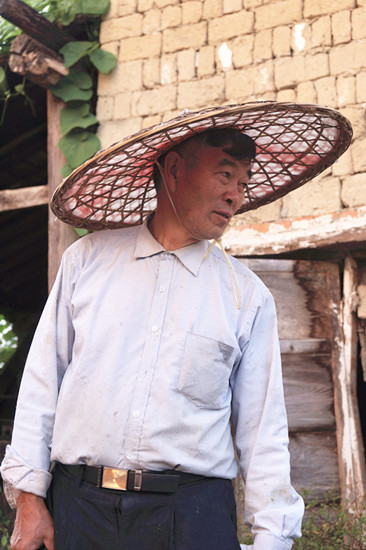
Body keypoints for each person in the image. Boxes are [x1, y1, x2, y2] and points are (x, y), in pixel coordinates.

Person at [1, 102, 352, 550]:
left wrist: (272, 538)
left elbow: (262, 432)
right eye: (224, 175)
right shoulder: (87, 262)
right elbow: (41, 384)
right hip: (79, 508)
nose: (236, 195)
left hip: (191, 516)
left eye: (243, 183)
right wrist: (29, 498)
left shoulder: (247, 297)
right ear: (172, 168)